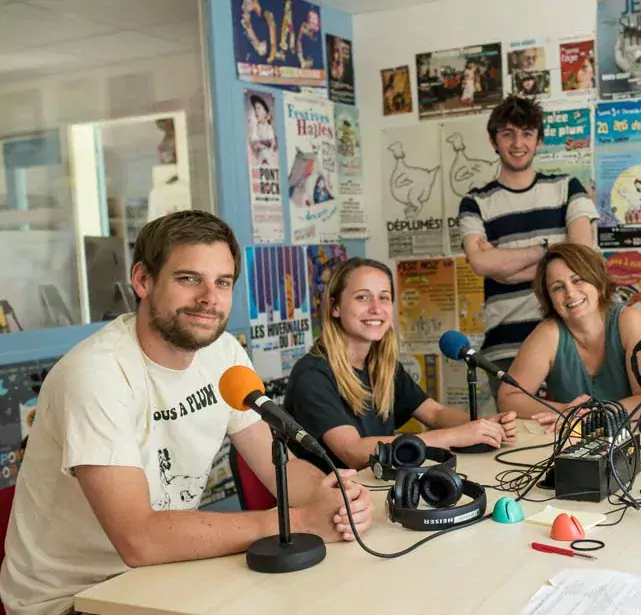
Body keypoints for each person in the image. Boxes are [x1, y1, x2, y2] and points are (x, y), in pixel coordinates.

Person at [0, 211, 374, 615]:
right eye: (188, 279)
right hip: (69, 601)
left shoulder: (224, 354)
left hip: (163, 575)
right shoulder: (97, 373)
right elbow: (139, 538)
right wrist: (294, 522)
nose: (209, 298)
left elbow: (278, 468)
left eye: (223, 282)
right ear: (143, 280)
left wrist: (335, 498)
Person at [283, 258, 518, 471]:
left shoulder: (381, 365)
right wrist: (455, 436)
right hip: (334, 503)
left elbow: (434, 413)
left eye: (384, 297)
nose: (376, 308)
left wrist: (482, 426)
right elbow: (353, 452)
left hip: (375, 489)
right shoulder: (312, 376)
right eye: (362, 297)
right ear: (335, 307)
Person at [460, 95, 599, 404]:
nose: (517, 143)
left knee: (577, 430)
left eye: (526, 133)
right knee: (518, 440)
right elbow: (481, 263)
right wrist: (549, 248)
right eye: (507, 133)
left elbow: (581, 254)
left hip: (568, 338)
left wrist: (507, 267)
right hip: (505, 345)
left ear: (539, 141)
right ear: (493, 140)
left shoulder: (567, 187)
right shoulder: (475, 202)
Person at [498, 243, 641, 429]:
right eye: (558, 287)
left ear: (597, 283)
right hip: (572, 444)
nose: (570, 293)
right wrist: (567, 410)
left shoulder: (629, 320)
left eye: (578, 280)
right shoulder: (548, 333)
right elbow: (508, 399)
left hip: (635, 441)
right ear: (549, 299)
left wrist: (596, 414)